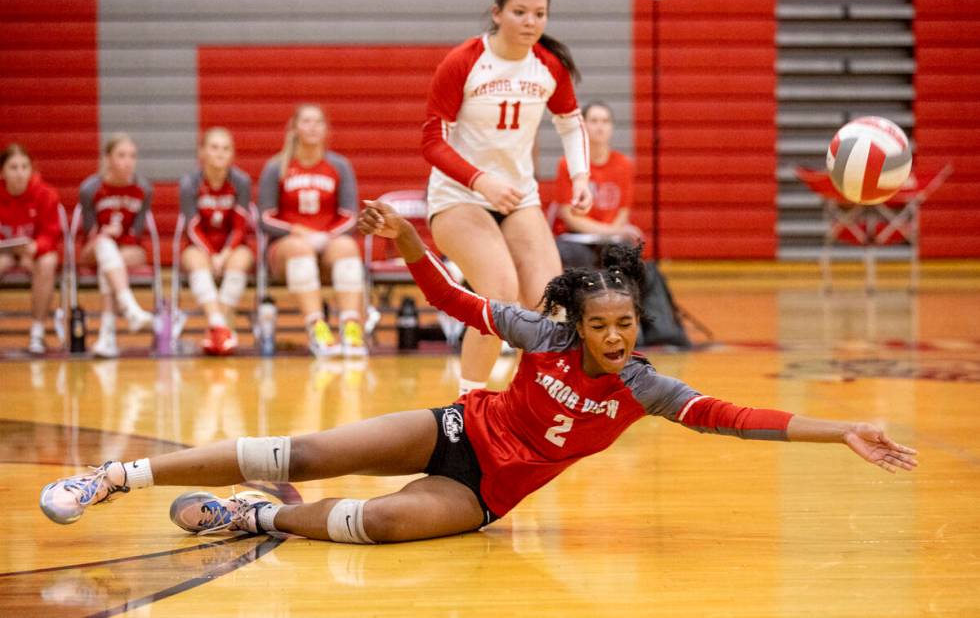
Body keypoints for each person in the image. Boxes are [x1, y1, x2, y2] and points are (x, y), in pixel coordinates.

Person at [38, 199, 919, 544]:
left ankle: (253, 518)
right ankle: (111, 475)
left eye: (626, 325)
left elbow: (736, 416)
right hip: (458, 429)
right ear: (577, 320)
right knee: (298, 445)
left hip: (489, 491)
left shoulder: (648, 386)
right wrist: (413, 243)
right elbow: (455, 302)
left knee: (377, 525)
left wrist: (841, 428)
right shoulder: (540, 334)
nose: (616, 337)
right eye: (602, 324)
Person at [423, 0, 593, 395]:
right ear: (497, 13)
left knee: (552, 305)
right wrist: (480, 180)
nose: (530, 22)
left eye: (539, 14)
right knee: (498, 298)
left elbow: (570, 123)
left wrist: (581, 177)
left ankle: (532, 405)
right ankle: (468, 410)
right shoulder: (464, 61)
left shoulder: (549, 66)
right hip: (458, 197)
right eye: (520, 12)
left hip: (517, 199)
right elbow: (432, 142)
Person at [258, 104, 367, 358]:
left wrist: (328, 237)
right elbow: (264, 217)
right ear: (294, 128)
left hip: (327, 243)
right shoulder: (277, 167)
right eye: (306, 122)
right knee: (300, 248)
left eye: (318, 122)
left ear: (326, 129)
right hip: (287, 247)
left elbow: (351, 216)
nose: (313, 127)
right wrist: (298, 231)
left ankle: (351, 327)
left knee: (347, 247)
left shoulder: (339, 166)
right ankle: (317, 328)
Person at [78, 133, 155, 359]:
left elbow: (138, 232)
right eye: (121, 155)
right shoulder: (90, 189)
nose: (128, 161)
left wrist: (119, 237)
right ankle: (130, 308)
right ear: (108, 158)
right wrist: (104, 234)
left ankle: (107, 335)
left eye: (132, 156)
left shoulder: (144, 189)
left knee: (109, 263)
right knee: (104, 246)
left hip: (128, 249)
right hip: (94, 247)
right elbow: (88, 231)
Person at [179, 128, 254, 355]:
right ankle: (220, 325)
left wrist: (225, 253)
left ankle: (216, 332)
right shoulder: (190, 183)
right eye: (214, 147)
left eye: (226, 149)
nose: (220, 153)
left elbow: (240, 224)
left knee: (241, 260)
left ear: (232, 154)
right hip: (200, 245)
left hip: (232, 245)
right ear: (201, 152)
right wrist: (212, 254)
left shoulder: (241, 181)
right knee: (194, 259)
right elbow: (192, 226)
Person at [553, 101, 644, 269]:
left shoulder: (624, 165)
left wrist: (611, 233)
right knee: (575, 256)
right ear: (584, 126)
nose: (600, 127)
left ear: (611, 127)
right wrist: (609, 231)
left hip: (611, 239)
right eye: (594, 121)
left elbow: (623, 212)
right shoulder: (567, 164)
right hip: (575, 238)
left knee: (627, 254)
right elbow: (569, 216)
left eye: (605, 121)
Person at [0, 144, 62, 354]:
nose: (19, 173)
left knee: (48, 262)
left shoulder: (45, 194)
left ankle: (37, 331)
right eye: (13, 167)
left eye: (24, 167)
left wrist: (35, 247)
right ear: (3, 172)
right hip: (4, 252)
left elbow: (52, 233)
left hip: (33, 251)